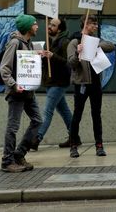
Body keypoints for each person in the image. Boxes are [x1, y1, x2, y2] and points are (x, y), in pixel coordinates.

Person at [0, 14, 46, 173]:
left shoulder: (29, 44)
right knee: (13, 127)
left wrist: (38, 58)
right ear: (27, 27)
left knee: (38, 121)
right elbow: (4, 68)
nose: (37, 26)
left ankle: (19, 154)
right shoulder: (15, 43)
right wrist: (13, 84)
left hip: (28, 92)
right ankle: (7, 161)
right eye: (34, 24)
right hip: (16, 92)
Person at [66, 15, 116, 158]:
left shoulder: (95, 40)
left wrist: (96, 46)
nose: (96, 26)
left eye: (96, 24)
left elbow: (111, 46)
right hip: (81, 83)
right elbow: (71, 63)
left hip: (95, 83)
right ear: (86, 24)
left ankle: (99, 145)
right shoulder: (74, 42)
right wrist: (78, 52)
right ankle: (73, 145)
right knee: (77, 115)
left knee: (96, 115)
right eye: (93, 24)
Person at [35, 17, 74, 150]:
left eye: (53, 25)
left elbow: (68, 63)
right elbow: (48, 62)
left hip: (59, 82)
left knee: (48, 111)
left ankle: (37, 137)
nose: (49, 27)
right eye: (49, 24)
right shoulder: (49, 41)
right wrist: (42, 56)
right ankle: (74, 136)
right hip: (50, 81)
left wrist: (52, 56)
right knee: (64, 110)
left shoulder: (65, 42)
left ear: (59, 29)